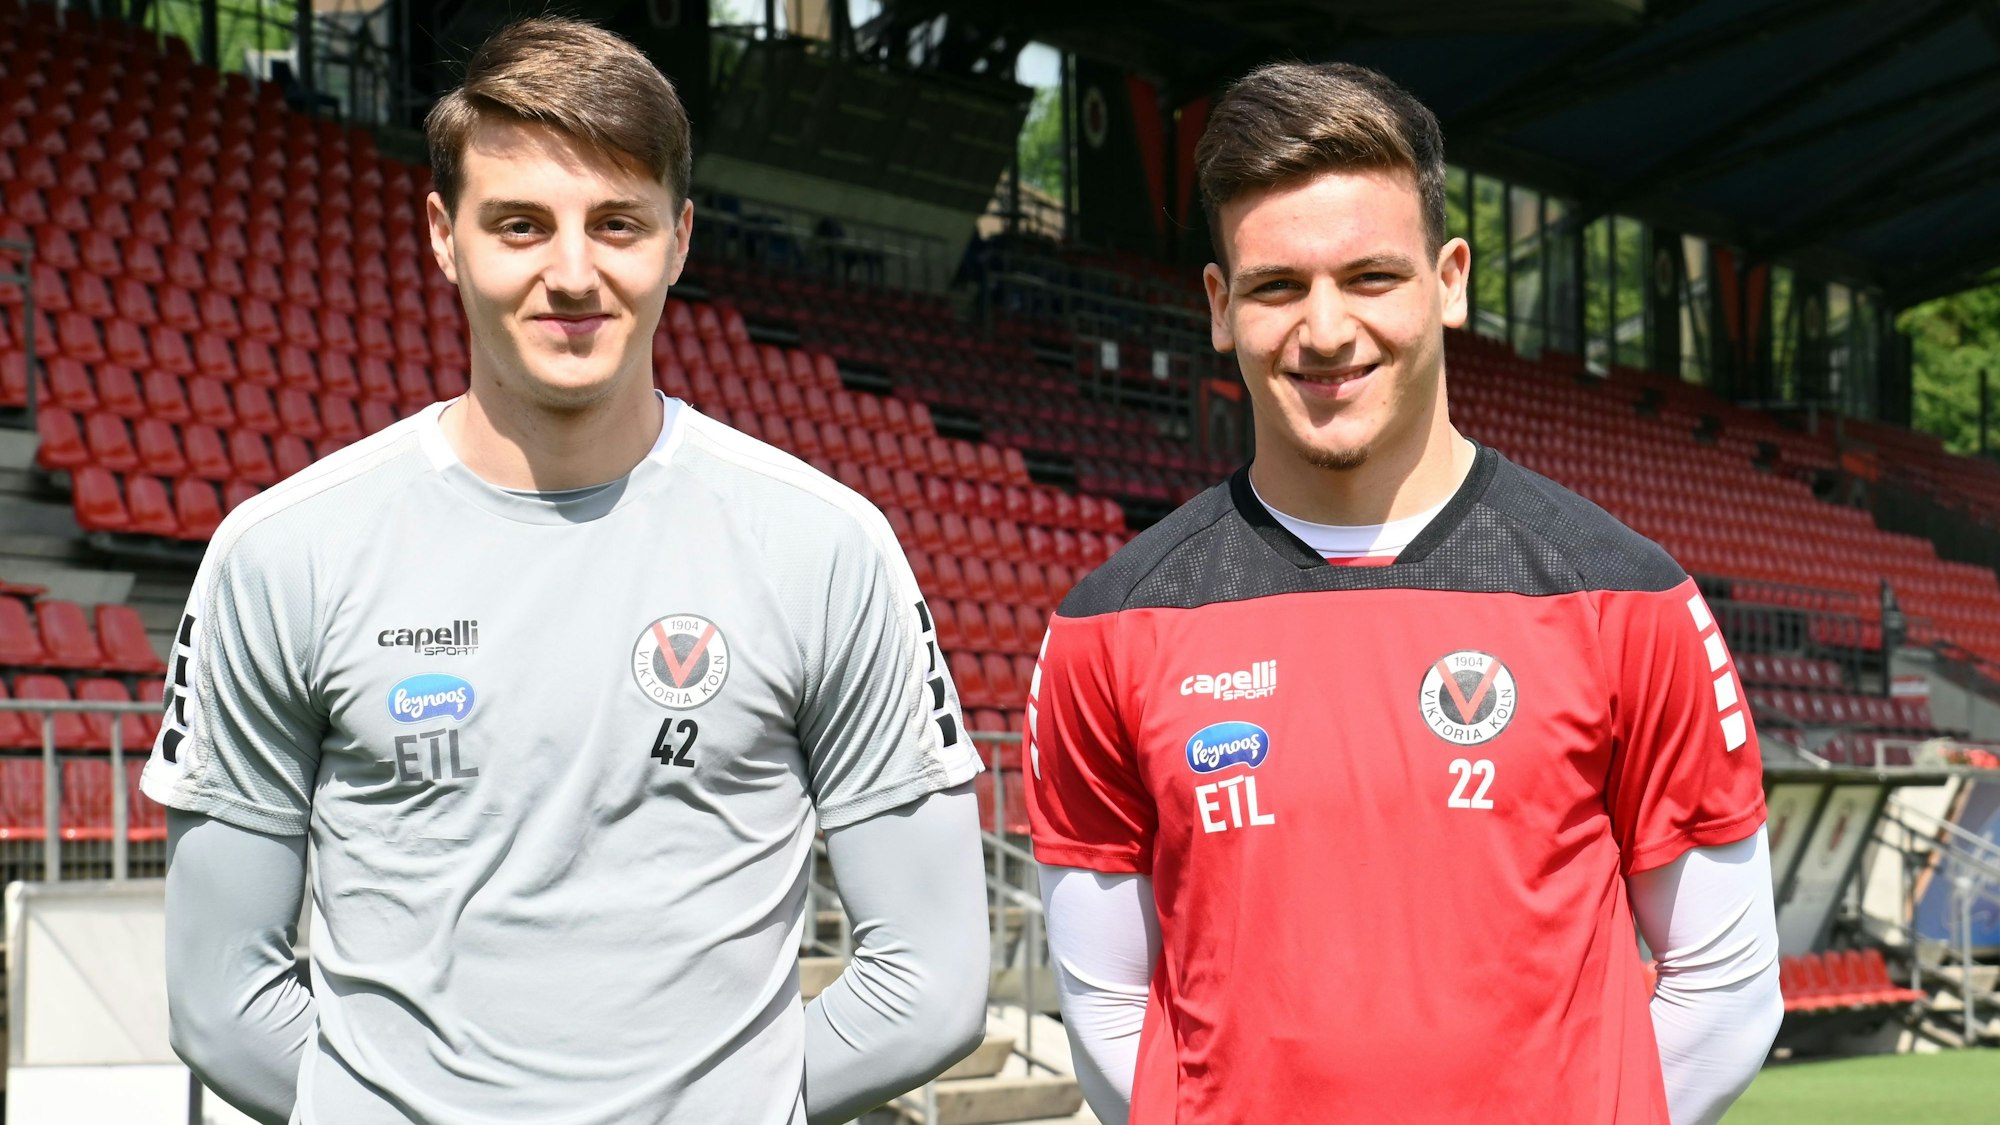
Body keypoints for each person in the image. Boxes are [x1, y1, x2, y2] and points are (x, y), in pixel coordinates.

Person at [143, 17, 988, 1124]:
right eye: (522, 224)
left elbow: (930, 982)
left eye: (618, 223)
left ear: (680, 240)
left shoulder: (826, 547)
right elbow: (220, 996)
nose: (573, 273)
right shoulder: (282, 553)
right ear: (444, 236)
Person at [1025, 61, 1782, 1125]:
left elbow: (1724, 989)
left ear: (1448, 279)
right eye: (1277, 287)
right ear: (1217, 305)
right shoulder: (1108, 629)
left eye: (1370, 278)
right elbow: (1105, 1005)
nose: (1325, 331)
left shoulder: (1626, 599)